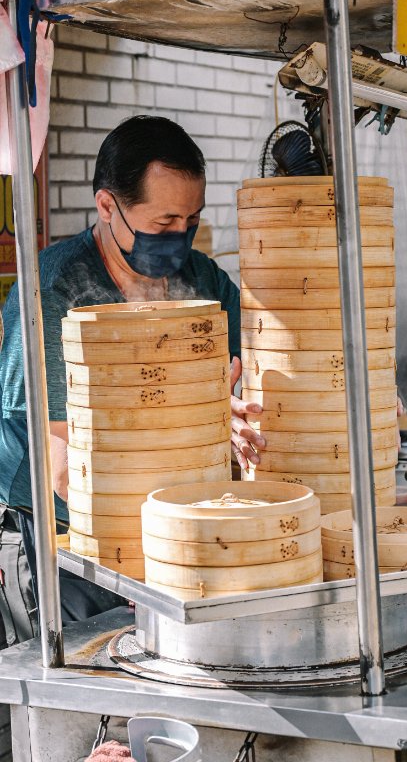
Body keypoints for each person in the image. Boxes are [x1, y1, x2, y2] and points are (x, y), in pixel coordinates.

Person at [0, 115, 265, 626]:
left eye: (190, 222)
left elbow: (259, 357)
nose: (180, 237)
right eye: (164, 224)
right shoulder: (54, 291)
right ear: (107, 206)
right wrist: (201, 425)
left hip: (169, 530)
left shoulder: (200, 277)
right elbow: (65, 470)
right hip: (58, 541)